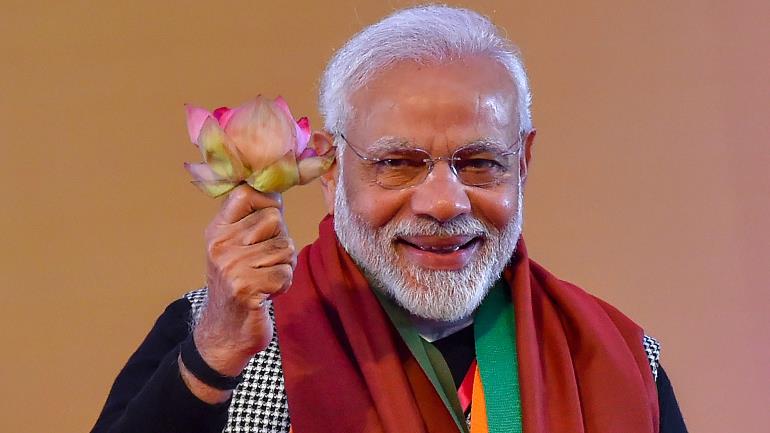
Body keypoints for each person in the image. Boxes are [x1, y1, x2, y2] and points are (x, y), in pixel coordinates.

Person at [92, 5, 687, 433]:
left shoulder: (617, 357)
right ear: (330, 168)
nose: (445, 203)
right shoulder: (216, 334)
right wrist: (213, 359)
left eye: (480, 163)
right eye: (398, 164)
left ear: (523, 163)